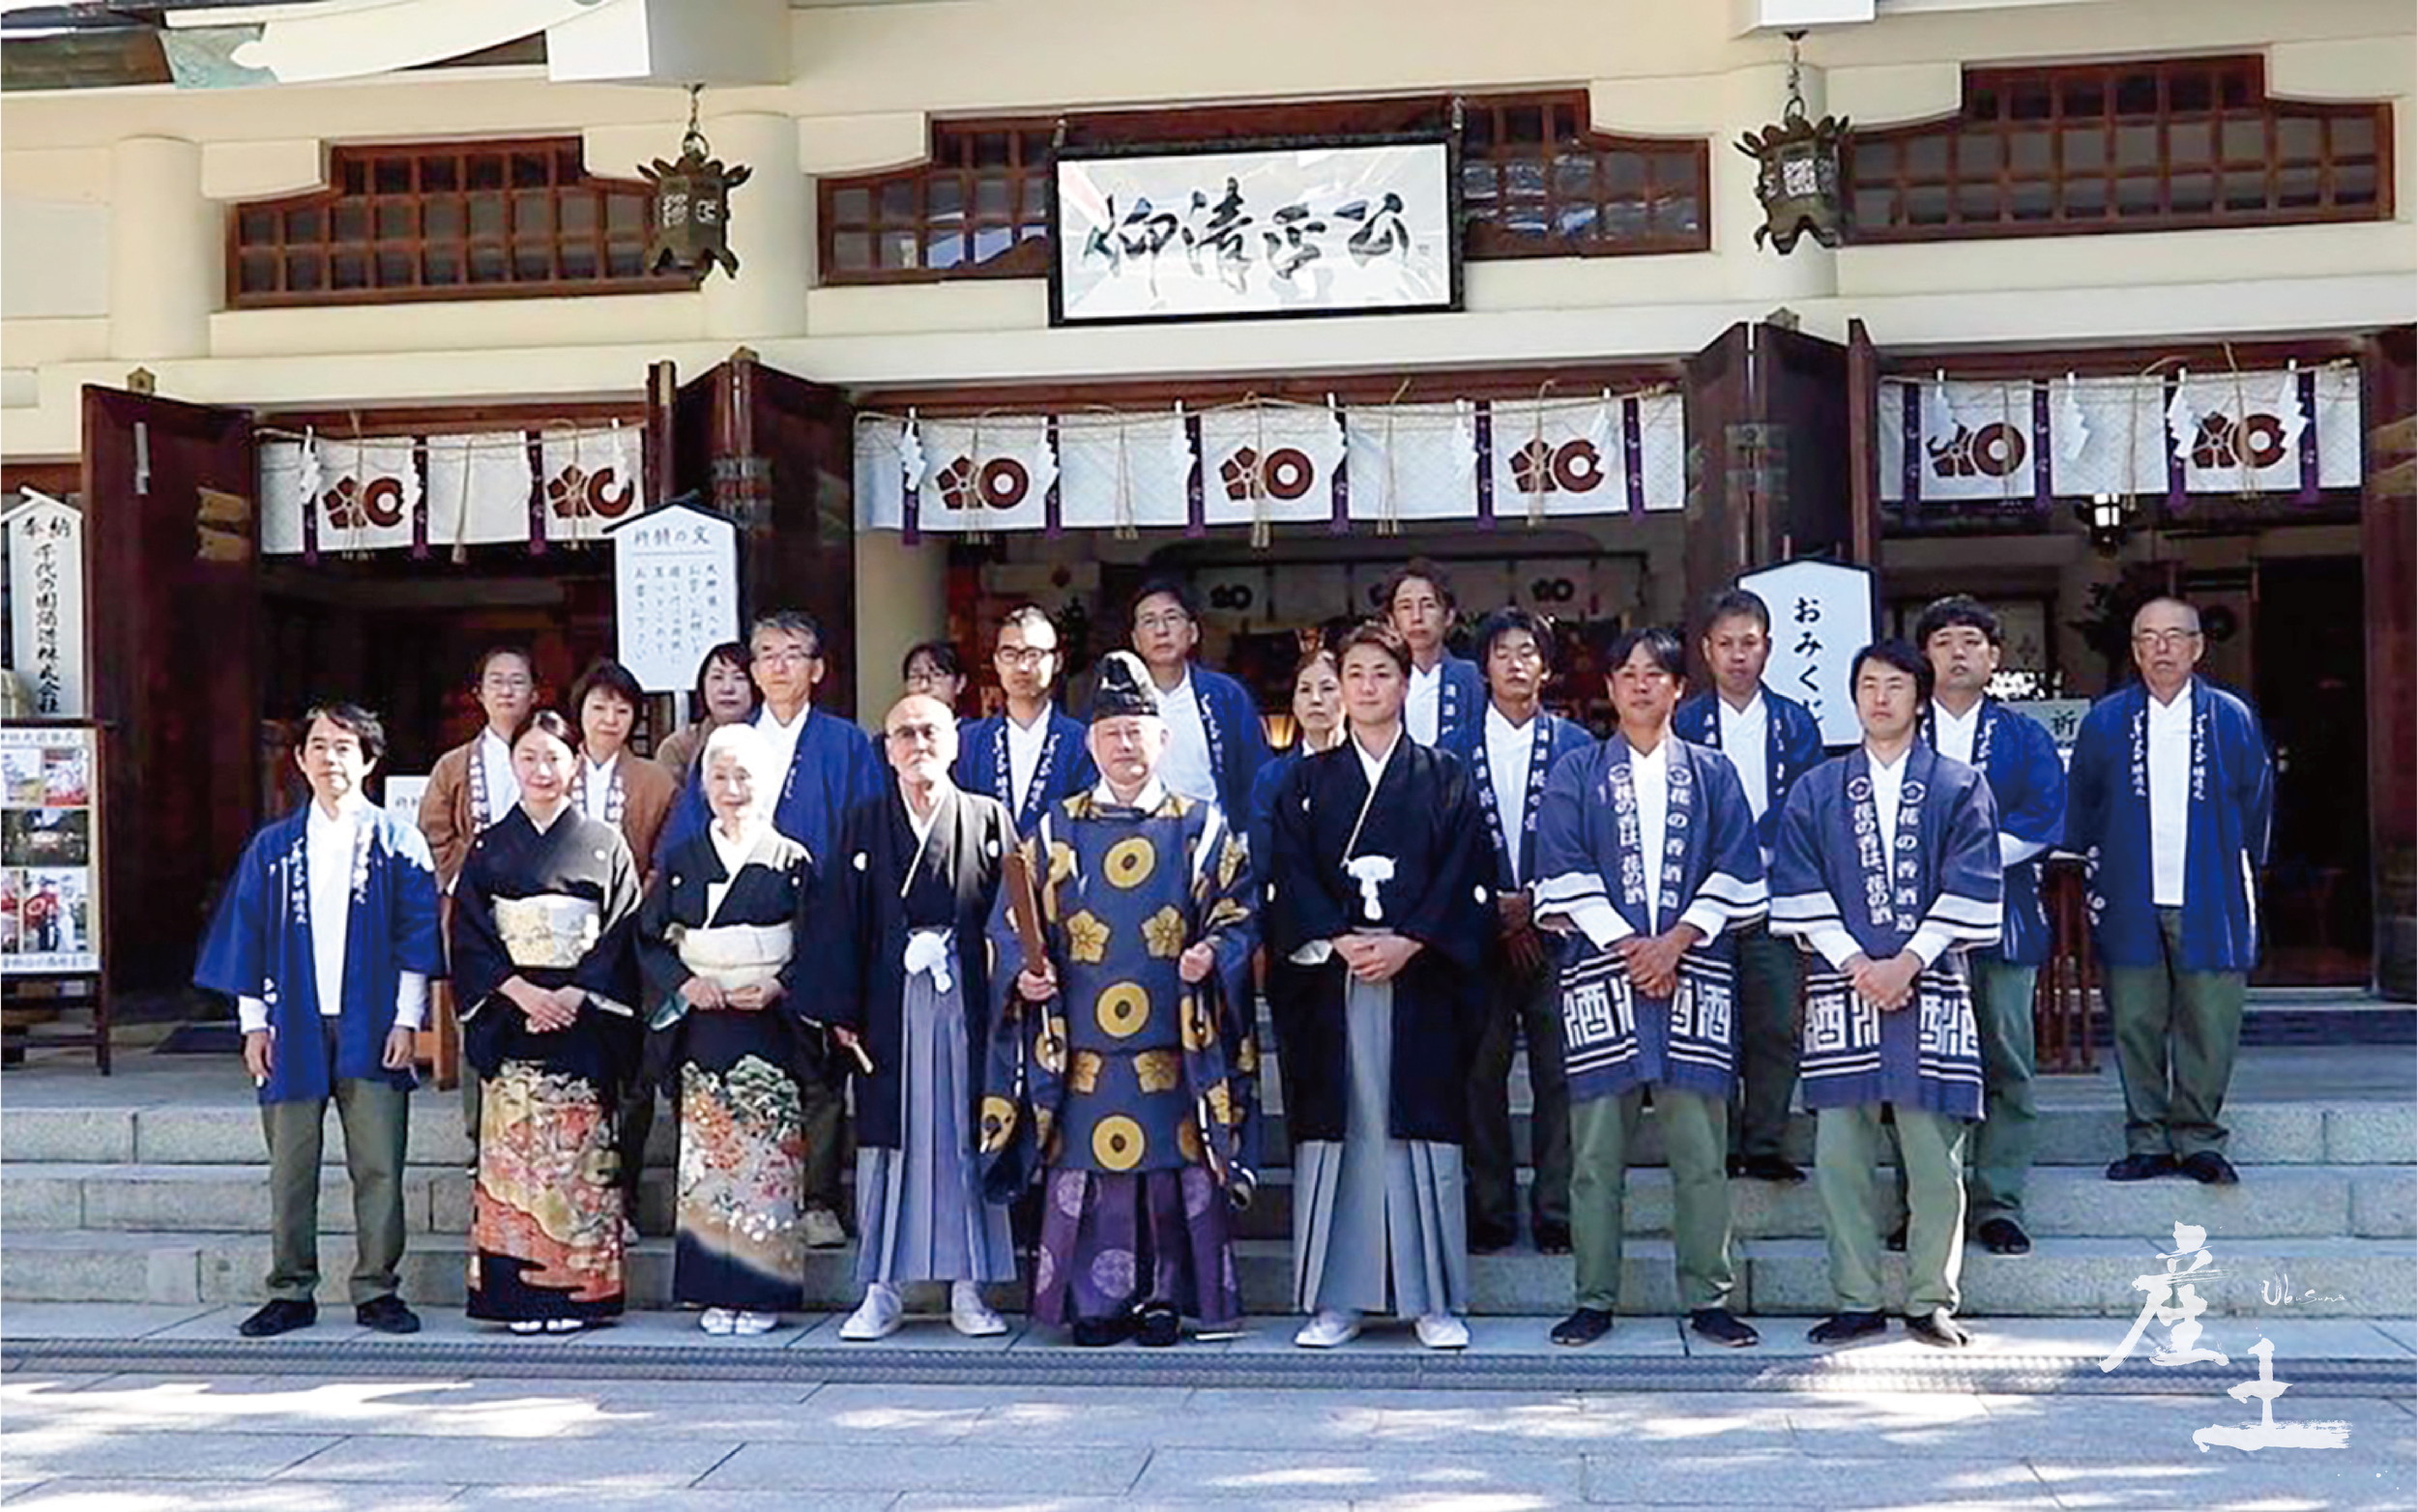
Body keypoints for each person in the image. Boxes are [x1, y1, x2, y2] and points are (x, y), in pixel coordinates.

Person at [984, 651, 1261, 1347]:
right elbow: (1011, 922)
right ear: (1090, 742)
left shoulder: (1203, 830)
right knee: (1087, 1169)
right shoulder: (1054, 829)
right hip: (1081, 1039)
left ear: (1162, 738)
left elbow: (1239, 911)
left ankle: (1167, 1298)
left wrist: (1213, 953)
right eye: (1111, 733)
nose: (1125, 745)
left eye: (1137, 731)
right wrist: (1024, 972)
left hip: (1172, 1034)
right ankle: (1091, 1303)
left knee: (1171, 1172)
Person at [1531, 626, 1767, 1349]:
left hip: (1694, 970)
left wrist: (1676, 942)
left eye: (1654, 674)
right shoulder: (1578, 772)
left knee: (1700, 1149)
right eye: (1626, 674)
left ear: (1678, 688)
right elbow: (1561, 866)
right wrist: (1630, 946)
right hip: (1604, 976)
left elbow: (1737, 866)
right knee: (1596, 1153)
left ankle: (1709, 1296)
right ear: (1608, 689)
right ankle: (1593, 1295)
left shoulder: (1712, 772)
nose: (1640, 685)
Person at [1771, 641, 2002, 1350]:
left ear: (1919, 698)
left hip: (1929, 987)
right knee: (1841, 1159)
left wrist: (1906, 961)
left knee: (1935, 1162)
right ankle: (1856, 1296)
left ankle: (1931, 1297)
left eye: (1894, 686)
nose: (1879, 698)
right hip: (1846, 992)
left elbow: (1973, 883)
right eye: (1867, 685)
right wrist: (1858, 964)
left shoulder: (1959, 786)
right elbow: (1797, 883)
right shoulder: (1818, 788)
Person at [1267, 622, 1489, 1351]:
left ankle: (1432, 1299)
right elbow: (1289, 873)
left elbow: (1465, 874)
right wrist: (1337, 937)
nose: (1366, 687)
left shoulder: (1445, 776)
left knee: (1415, 1130)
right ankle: (1338, 1300)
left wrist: (1410, 940)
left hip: (1418, 979)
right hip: (1334, 984)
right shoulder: (1304, 783)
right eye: (1354, 674)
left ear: (1404, 684)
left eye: (1381, 674)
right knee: (1345, 1130)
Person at [195, 703, 444, 1338]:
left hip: (372, 1022)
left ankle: (377, 1288)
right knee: (291, 1164)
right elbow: (245, 939)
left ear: (368, 758)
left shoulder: (398, 840)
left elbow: (416, 934)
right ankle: (290, 1288)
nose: (331, 758)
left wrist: (406, 1019)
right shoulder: (274, 847)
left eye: (344, 746)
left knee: (380, 1162)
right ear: (300, 759)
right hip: (292, 1025)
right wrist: (254, 1026)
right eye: (319, 747)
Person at [658, 609, 883, 1249]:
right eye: (766, 654)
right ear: (752, 669)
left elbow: (863, 841)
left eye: (793, 654)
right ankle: (733, 1204)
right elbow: (684, 846)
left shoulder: (845, 744)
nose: (779, 665)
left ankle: (817, 1199)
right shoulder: (726, 745)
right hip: (725, 952)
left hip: (821, 926)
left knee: (817, 1072)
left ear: (817, 668)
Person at [826, 695, 1020, 1340]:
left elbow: (1015, 919)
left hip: (965, 995)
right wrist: (842, 1008)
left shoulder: (989, 818)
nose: (917, 743)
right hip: (888, 1002)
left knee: (966, 1132)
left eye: (929, 731)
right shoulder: (863, 821)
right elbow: (841, 922)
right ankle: (882, 1288)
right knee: (889, 1142)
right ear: (887, 749)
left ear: (956, 741)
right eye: (903, 733)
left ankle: (971, 1287)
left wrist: (1016, 981)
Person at [450, 711, 645, 1334]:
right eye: (529, 757)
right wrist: (520, 992)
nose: (542, 769)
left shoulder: (603, 844)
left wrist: (577, 994)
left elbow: (621, 934)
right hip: (512, 1016)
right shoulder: (488, 846)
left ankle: (579, 1293)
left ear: (575, 765)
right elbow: (472, 936)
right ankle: (515, 1299)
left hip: (583, 1021)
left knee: (579, 1164)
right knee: (513, 1165)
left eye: (554, 758)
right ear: (514, 764)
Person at [2066, 596, 2272, 1187]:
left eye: (2173, 636)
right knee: (2135, 1018)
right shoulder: (2106, 719)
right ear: (2133, 650)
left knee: (2210, 1018)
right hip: (2130, 889)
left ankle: (2200, 1137)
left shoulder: (2228, 716)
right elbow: (2083, 798)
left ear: (2197, 647)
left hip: (2209, 889)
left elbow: (2256, 796)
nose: (2161, 648)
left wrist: (2247, 865)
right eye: (2147, 638)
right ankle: (2148, 1138)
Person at [635, 723, 818, 1336]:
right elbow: (648, 940)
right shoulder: (683, 860)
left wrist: (782, 982)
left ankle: (762, 1289)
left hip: (768, 1027)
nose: (732, 788)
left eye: (745, 775)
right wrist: (686, 985)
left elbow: (819, 943)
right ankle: (713, 1288)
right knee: (707, 1165)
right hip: (706, 1026)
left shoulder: (793, 860)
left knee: (767, 1164)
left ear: (767, 783)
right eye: (720, 776)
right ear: (703, 785)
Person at [1913, 596, 2068, 1255]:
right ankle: (1924, 1203)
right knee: (1919, 1071)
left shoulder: (2023, 735)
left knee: (2005, 1062)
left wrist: (1969, 862)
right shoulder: (1901, 728)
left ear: (1994, 657)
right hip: (1913, 934)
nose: (1957, 652)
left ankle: (1999, 1202)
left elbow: (2043, 817)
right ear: (1926, 656)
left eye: (1971, 641)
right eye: (1944, 641)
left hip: (2003, 923)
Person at [1445, 608, 1588, 1258]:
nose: (1514, 663)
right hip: (1480, 938)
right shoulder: (1451, 749)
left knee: (1561, 1076)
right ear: (1483, 669)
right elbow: (1442, 847)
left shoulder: (1576, 747)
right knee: (1481, 1073)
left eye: (1527, 651)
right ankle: (1490, 1209)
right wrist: (1494, 910)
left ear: (1547, 666)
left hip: (1559, 931)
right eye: (1501, 652)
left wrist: (1537, 904)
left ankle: (1556, 1209)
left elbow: (1592, 843)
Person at [1674, 590, 1828, 1184]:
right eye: (1726, 644)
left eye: (1750, 643)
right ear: (1706, 652)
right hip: (1701, 902)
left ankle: (1764, 1142)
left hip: (1774, 898)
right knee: (1711, 1023)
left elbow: (1811, 809)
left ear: (1768, 649)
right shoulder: (1685, 721)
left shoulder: (1794, 722)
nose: (1738, 656)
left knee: (1775, 1022)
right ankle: (1716, 1142)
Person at [568, 657, 681, 1239]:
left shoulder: (656, 782)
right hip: (560, 951)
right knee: (575, 1073)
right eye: (598, 705)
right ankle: (577, 1196)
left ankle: (624, 1196)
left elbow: (665, 861)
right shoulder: (552, 771)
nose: (609, 717)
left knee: (632, 1078)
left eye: (621, 707)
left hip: (631, 941)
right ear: (579, 711)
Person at [418, 645, 539, 1156]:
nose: (507, 690)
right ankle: (481, 1146)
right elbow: (432, 832)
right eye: (497, 681)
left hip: (544, 917)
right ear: (479, 694)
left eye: (518, 682)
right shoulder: (455, 765)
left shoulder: (552, 752)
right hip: (478, 914)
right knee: (482, 1024)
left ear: (534, 693)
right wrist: (466, 879)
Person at [1123, 578, 1270, 827]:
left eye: (1171, 618)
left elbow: (1255, 773)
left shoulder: (1225, 696)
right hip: (1135, 842)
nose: (1161, 631)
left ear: (1192, 633)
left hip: (1212, 838)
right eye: (1149, 621)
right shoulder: (1118, 702)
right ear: (1136, 640)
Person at [953, 606, 1096, 838]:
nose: (1021, 667)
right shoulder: (969, 741)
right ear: (997, 662)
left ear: (1057, 661)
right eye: (1010, 654)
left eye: (1033, 654)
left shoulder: (1081, 741)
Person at [1383, 558, 1483, 747]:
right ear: (1392, 620)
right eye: (1406, 607)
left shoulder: (1467, 676)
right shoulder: (1382, 678)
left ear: (1449, 616)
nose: (1417, 617)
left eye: (1428, 605)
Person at [654, 641, 758, 785]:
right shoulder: (680, 747)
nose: (727, 688)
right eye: (717, 677)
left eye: (739, 678)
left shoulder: (774, 739)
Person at [903, 639, 970, 712]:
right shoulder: (896, 722)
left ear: (960, 683)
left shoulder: (981, 723)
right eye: (914, 677)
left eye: (937, 675)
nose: (923, 686)